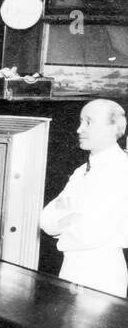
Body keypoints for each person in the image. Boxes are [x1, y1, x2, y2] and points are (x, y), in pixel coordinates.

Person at [40, 98, 128, 297]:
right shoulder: (81, 171)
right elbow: (46, 219)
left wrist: (63, 221)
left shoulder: (121, 171)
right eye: (81, 122)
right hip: (70, 268)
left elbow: (92, 232)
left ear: (113, 127)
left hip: (100, 274)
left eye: (88, 122)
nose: (80, 129)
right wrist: (70, 219)